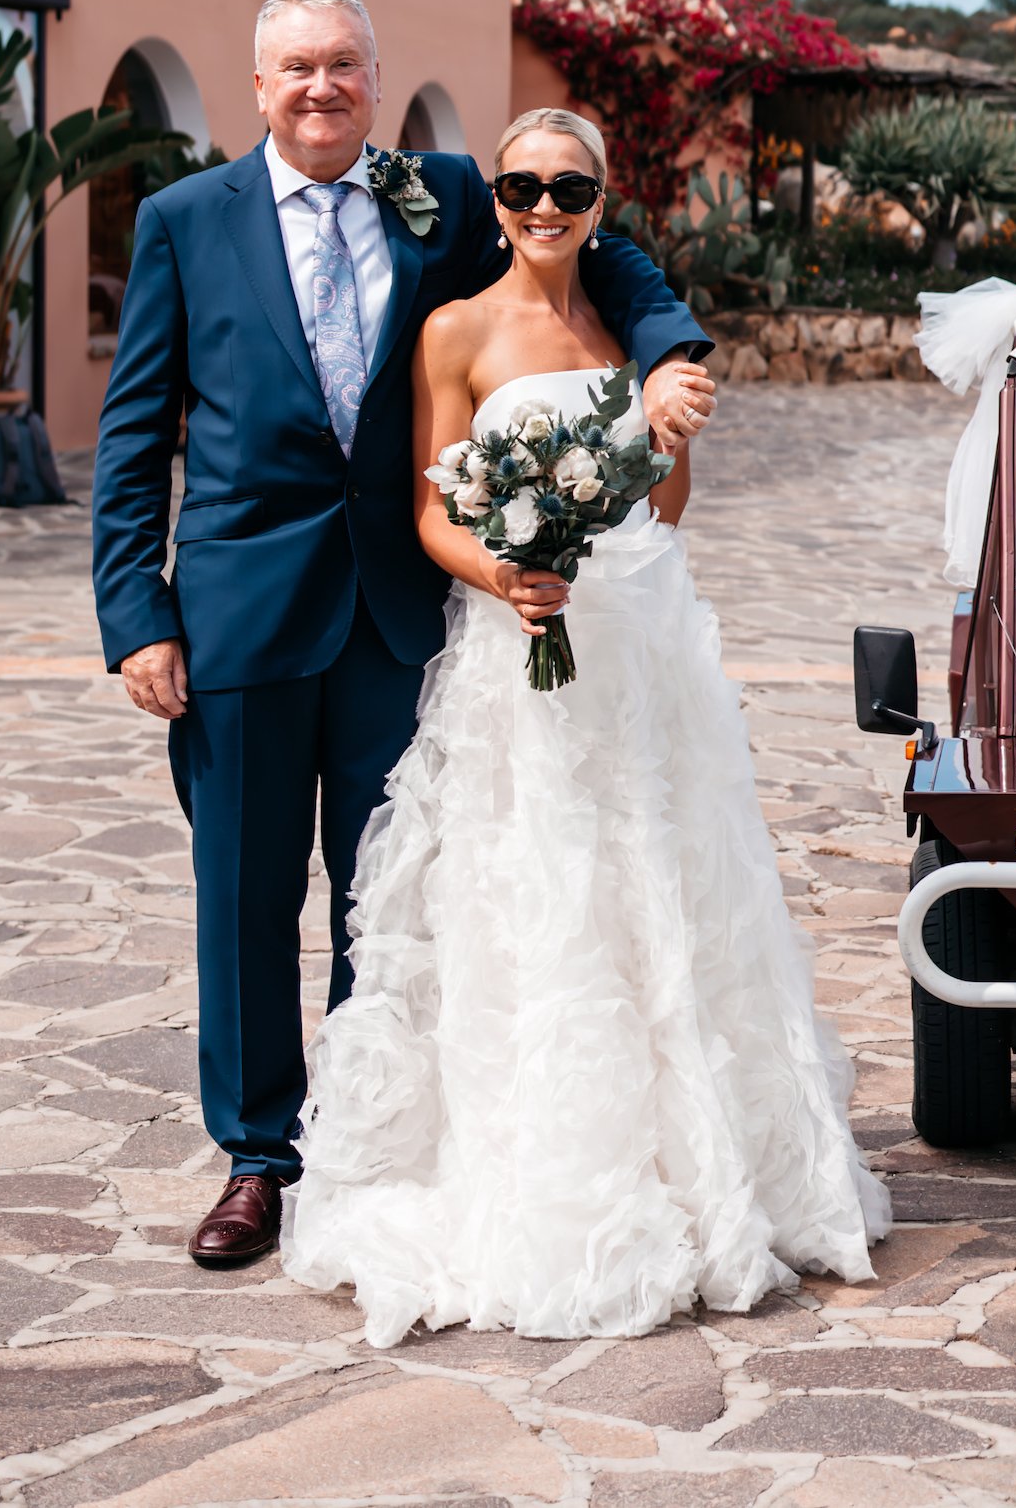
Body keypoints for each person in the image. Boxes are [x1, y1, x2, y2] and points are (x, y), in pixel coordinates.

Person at [91, 0, 714, 1271]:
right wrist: (135, 614)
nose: (322, 88)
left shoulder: (439, 194)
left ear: (375, 78)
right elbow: (134, 434)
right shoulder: (180, 224)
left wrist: (665, 352)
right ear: (258, 86)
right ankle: (259, 1159)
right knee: (247, 902)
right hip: (239, 622)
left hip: (401, 620)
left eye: (344, 67)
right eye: (296, 69)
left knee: (390, 903)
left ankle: (357, 1143)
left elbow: (596, 250)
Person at [279, 105, 888, 1342]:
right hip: (518, 654)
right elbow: (429, 506)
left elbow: (665, 507)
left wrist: (669, 437)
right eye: (519, 185)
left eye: (567, 187)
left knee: (658, 886)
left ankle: (695, 1166)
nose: (542, 206)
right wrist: (501, 573)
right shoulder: (453, 329)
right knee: (535, 892)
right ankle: (542, 1177)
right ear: (493, 199)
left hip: (638, 651)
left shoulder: (633, 333)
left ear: (602, 202)